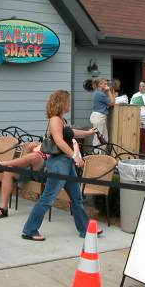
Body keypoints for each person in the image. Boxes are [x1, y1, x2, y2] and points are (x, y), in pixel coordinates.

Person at [21, 90, 97, 242]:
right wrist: (75, 157)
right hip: (59, 163)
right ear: (61, 103)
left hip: (66, 163)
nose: (70, 104)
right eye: (68, 101)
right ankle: (29, 230)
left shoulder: (62, 120)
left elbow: (70, 133)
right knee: (48, 198)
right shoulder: (55, 119)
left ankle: (85, 229)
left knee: (77, 198)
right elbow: (60, 141)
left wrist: (88, 133)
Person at [0, 140, 46, 221]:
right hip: (31, 170)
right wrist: (30, 149)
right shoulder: (47, 140)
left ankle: (0, 164)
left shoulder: (62, 141)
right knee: (8, 171)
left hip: (47, 172)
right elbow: (27, 159)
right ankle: (3, 209)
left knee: (35, 157)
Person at [89, 77, 113, 146]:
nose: (106, 84)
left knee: (104, 138)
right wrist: (108, 91)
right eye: (104, 83)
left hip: (98, 117)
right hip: (99, 117)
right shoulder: (100, 94)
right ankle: (96, 156)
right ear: (99, 84)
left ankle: (101, 156)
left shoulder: (98, 93)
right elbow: (112, 102)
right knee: (98, 139)